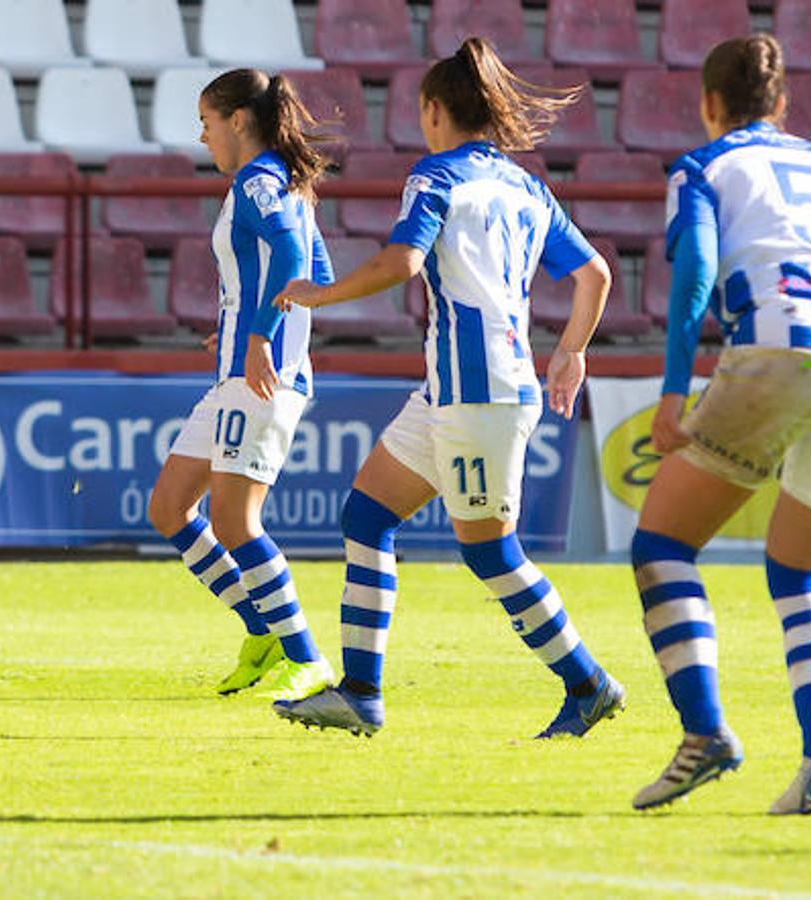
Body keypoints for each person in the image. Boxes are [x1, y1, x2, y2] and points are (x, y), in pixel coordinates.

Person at [268, 38, 625, 738]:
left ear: (434, 110)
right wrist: (571, 352)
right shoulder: (525, 186)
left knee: (490, 552)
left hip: (478, 394)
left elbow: (402, 262)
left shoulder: (433, 176)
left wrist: (319, 294)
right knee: (366, 517)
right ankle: (360, 694)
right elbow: (595, 275)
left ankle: (587, 684)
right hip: (451, 391)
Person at [625, 35, 811, 815]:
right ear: (784, 105)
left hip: (777, 347)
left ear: (708, 106)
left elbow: (694, 269)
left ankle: (704, 736)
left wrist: (672, 391)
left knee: (661, 546)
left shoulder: (702, 167)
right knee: (797, 572)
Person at [143, 69, 336, 702]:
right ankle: (262, 630)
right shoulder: (283, 182)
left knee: (234, 519)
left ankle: (304, 657)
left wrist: (258, 335)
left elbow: (292, 260)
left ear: (238, 121)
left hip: (259, 375)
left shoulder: (258, 180)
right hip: (235, 370)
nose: (203, 137)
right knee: (170, 506)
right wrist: (235, 323)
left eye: (206, 123)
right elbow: (320, 273)